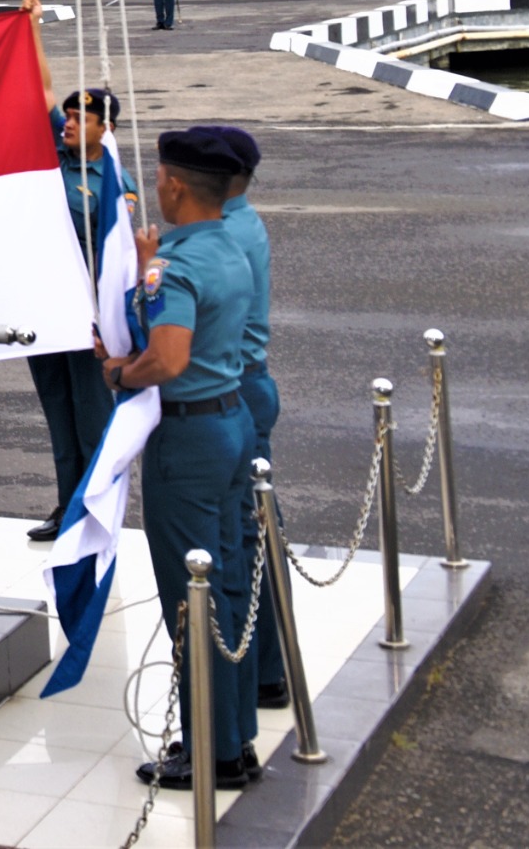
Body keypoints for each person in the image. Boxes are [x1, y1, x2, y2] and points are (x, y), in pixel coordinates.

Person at [109, 128, 260, 792]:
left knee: (191, 597)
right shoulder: (228, 245)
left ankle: (211, 752)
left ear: (173, 185)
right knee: (226, 583)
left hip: (189, 438)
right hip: (230, 419)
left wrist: (120, 373)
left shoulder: (179, 264)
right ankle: (234, 735)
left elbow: (167, 359)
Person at [24, 0, 126, 542]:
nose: (67, 123)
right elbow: (41, 90)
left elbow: (121, 259)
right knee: (58, 412)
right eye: (66, 116)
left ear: (104, 129)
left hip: (87, 318)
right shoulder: (55, 155)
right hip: (46, 307)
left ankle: (95, 508)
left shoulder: (114, 184)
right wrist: (32, 28)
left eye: (79, 119)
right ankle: (67, 507)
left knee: (91, 416)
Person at [207, 124, 290, 712]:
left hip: (235, 389)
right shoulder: (239, 222)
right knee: (253, 533)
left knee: (245, 538)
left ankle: (262, 673)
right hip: (249, 383)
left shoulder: (227, 235)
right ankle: (265, 670)